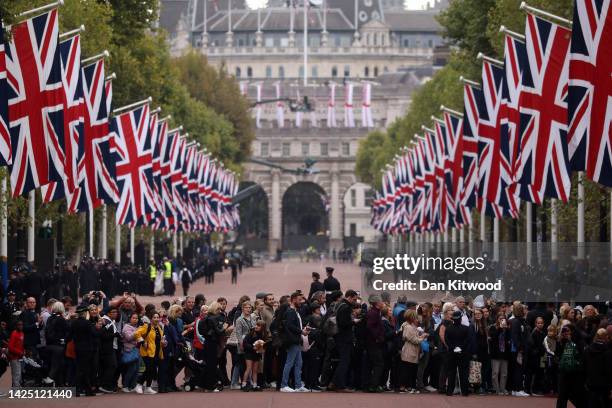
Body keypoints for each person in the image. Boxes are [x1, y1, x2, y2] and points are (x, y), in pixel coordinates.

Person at [280, 291, 310, 393]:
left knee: (298, 363)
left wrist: (302, 330)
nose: (301, 302)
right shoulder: (290, 312)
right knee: (289, 363)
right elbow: (289, 326)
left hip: (296, 340)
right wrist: (301, 331)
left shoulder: (295, 311)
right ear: (293, 300)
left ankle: (298, 385)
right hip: (293, 341)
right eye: (299, 300)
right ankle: (283, 385)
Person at [328, 289, 358, 392]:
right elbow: (344, 323)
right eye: (354, 299)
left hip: (340, 337)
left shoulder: (341, 305)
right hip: (344, 338)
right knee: (344, 362)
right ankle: (339, 384)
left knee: (344, 361)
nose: (355, 301)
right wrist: (354, 321)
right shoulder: (345, 307)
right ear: (349, 297)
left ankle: (334, 383)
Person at [69, 305, 101, 396]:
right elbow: (95, 334)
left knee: (80, 369)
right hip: (88, 350)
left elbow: (69, 337)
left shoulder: (74, 323)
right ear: (84, 313)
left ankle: (82, 390)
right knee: (85, 370)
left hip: (78, 349)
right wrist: (99, 329)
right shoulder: (87, 323)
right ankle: (83, 390)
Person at [134, 311, 165, 395]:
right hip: (147, 352)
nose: (156, 319)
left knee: (151, 370)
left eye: (158, 317)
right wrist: (142, 341)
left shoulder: (159, 328)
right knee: (149, 369)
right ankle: (139, 384)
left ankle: (148, 387)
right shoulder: (146, 326)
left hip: (156, 352)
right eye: (154, 317)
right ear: (151, 319)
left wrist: (164, 343)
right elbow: (137, 333)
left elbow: (160, 340)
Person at [556, 324, 586, 408]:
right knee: (562, 395)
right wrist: (560, 342)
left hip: (575, 373)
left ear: (573, 331)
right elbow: (558, 354)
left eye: (567, 331)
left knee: (577, 396)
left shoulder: (580, 341)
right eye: (564, 331)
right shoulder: (562, 341)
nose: (566, 333)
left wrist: (571, 342)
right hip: (564, 372)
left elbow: (581, 355)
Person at [201, 301, 227, 391]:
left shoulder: (208, 318)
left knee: (210, 365)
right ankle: (210, 386)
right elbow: (218, 331)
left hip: (209, 343)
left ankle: (207, 385)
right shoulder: (212, 319)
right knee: (211, 366)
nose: (220, 311)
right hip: (211, 344)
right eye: (218, 309)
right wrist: (224, 327)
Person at [584, 328, 611, 408]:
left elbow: (584, 365)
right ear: (606, 337)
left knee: (592, 403)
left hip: (591, 381)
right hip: (604, 383)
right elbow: (609, 369)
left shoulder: (588, 349)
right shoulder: (608, 351)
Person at [445, 310, 470, 396]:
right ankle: (465, 392)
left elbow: (447, 340)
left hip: (452, 353)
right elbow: (467, 340)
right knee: (463, 373)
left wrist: (453, 347)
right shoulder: (466, 328)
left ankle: (449, 391)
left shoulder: (448, 328)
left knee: (451, 372)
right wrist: (461, 347)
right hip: (463, 353)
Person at [45, 301, 68, 386]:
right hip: (58, 346)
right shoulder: (61, 319)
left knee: (58, 366)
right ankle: (48, 382)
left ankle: (59, 384)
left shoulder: (50, 318)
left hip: (49, 345)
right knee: (56, 366)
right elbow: (67, 330)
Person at [365, 294, 385, 393]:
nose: (382, 303)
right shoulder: (374, 313)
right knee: (379, 364)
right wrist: (377, 337)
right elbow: (370, 327)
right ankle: (373, 385)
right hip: (374, 343)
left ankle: (371, 384)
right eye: (381, 301)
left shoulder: (375, 312)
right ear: (377, 303)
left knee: (373, 364)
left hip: (373, 342)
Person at [242, 320, 267, 391]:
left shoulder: (263, 335)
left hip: (256, 354)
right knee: (248, 368)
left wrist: (262, 348)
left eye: (258, 326)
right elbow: (245, 343)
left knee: (255, 370)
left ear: (262, 327)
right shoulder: (251, 333)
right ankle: (244, 384)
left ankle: (255, 385)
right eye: (256, 325)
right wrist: (253, 347)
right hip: (249, 353)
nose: (256, 326)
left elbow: (263, 345)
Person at [489, 312, 510, 395]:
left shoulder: (507, 328)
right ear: (497, 319)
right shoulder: (493, 327)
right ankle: (496, 389)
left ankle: (503, 388)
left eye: (503, 319)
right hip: (496, 353)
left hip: (504, 353)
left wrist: (505, 328)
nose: (502, 320)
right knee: (495, 372)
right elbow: (493, 338)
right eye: (500, 319)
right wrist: (500, 328)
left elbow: (508, 339)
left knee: (504, 373)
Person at [120, 312, 141, 393]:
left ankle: (132, 386)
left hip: (136, 350)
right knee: (131, 369)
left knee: (136, 369)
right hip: (129, 350)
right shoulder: (127, 327)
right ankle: (125, 385)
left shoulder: (136, 327)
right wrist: (138, 332)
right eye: (134, 318)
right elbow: (128, 337)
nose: (135, 320)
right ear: (130, 318)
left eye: (137, 318)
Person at [8, 320, 24, 387]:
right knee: (16, 374)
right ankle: (15, 391)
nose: (21, 326)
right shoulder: (14, 334)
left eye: (21, 325)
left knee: (18, 374)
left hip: (20, 357)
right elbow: (10, 347)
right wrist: (19, 352)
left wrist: (23, 351)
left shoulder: (22, 333)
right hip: (14, 357)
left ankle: (15, 389)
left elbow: (21, 344)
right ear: (16, 326)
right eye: (19, 325)